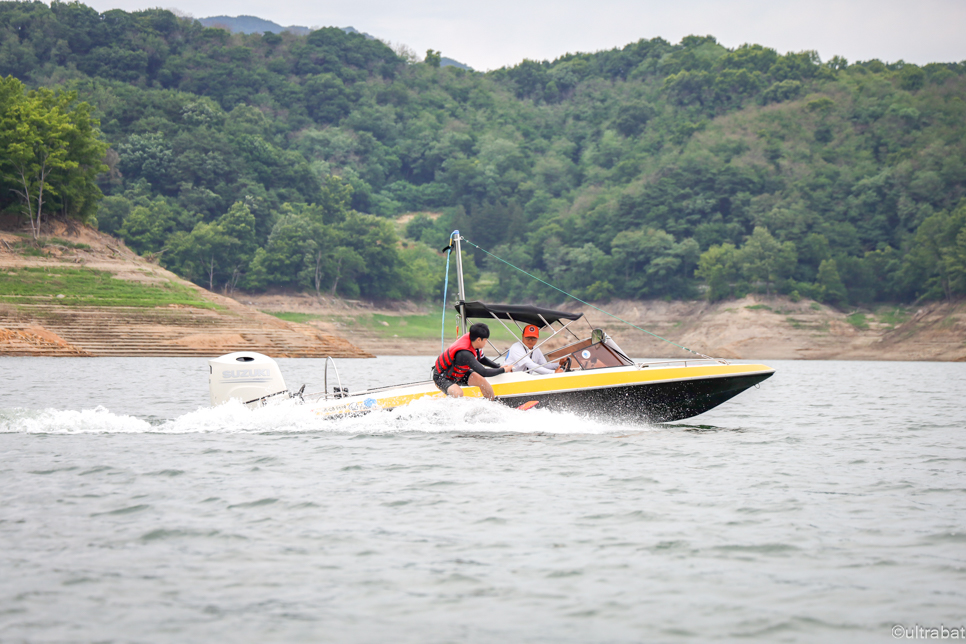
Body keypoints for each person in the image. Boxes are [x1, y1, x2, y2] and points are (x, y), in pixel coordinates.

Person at [433, 322, 511, 400]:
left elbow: (482, 359)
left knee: (482, 381)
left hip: (459, 372)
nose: (486, 342)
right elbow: (484, 372)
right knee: (458, 393)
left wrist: (499, 367)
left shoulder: (474, 343)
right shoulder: (465, 353)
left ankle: (492, 401)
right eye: (486, 340)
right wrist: (503, 370)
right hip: (443, 376)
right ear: (479, 340)